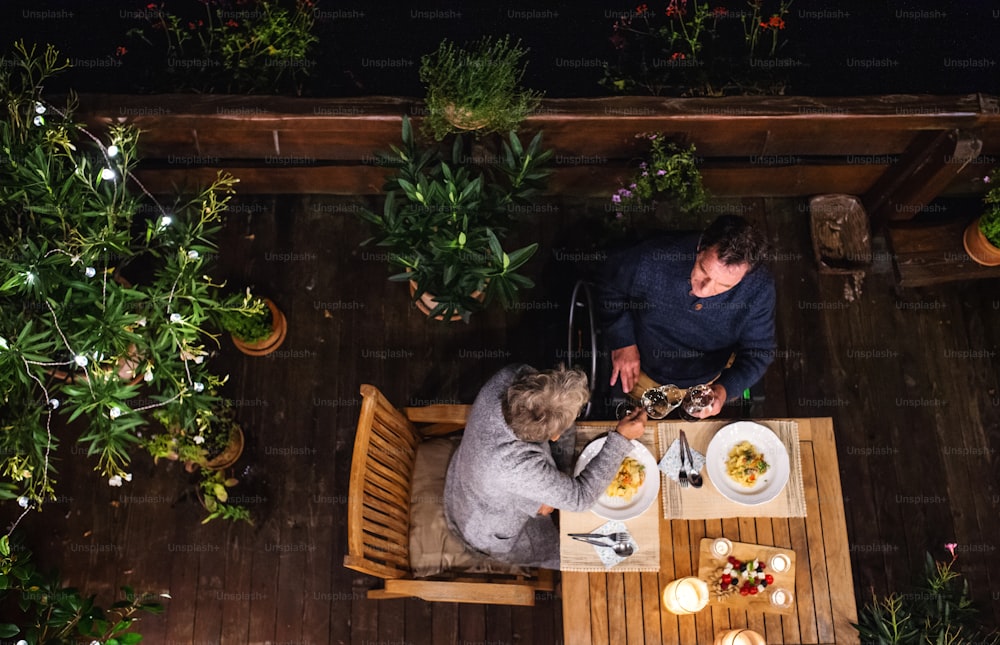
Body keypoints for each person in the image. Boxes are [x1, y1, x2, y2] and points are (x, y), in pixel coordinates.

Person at [443, 364, 646, 569]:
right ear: (554, 435)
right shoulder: (513, 464)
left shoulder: (512, 376)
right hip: (485, 525)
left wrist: (545, 493)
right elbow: (580, 498)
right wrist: (621, 439)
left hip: (474, 474)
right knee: (581, 554)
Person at [598, 215, 776, 418]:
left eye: (724, 286)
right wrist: (622, 341)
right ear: (700, 245)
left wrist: (724, 390)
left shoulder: (759, 289)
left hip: (709, 381)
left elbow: (758, 351)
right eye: (703, 271)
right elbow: (608, 286)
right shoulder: (650, 258)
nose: (705, 290)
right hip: (644, 369)